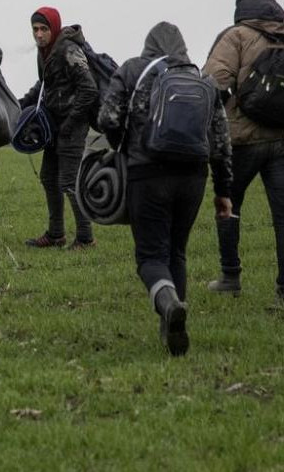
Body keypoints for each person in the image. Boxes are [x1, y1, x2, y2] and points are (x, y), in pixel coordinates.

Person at [98, 22, 233, 355]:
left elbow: (107, 118)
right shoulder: (204, 81)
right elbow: (221, 142)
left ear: (149, 46)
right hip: (193, 178)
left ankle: (169, 304)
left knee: (150, 256)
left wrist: (123, 149)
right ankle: (170, 328)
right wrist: (223, 190)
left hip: (148, 174)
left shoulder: (132, 70)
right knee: (177, 252)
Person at [203, 0, 284, 310]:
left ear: (241, 2)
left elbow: (213, 83)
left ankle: (230, 276)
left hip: (243, 140)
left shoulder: (235, 37)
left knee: (226, 206)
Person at [20, 6, 99, 250]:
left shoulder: (68, 49)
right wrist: (20, 104)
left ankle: (86, 238)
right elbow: (45, 85)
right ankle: (56, 235)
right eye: (35, 29)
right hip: (54, 125)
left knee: (68, 180)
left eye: (44, 29)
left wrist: (70, 122)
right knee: (48, 177)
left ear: (53, 28)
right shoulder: (44, 52)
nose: (39, 34)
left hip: (72, 125)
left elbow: (89, 88)